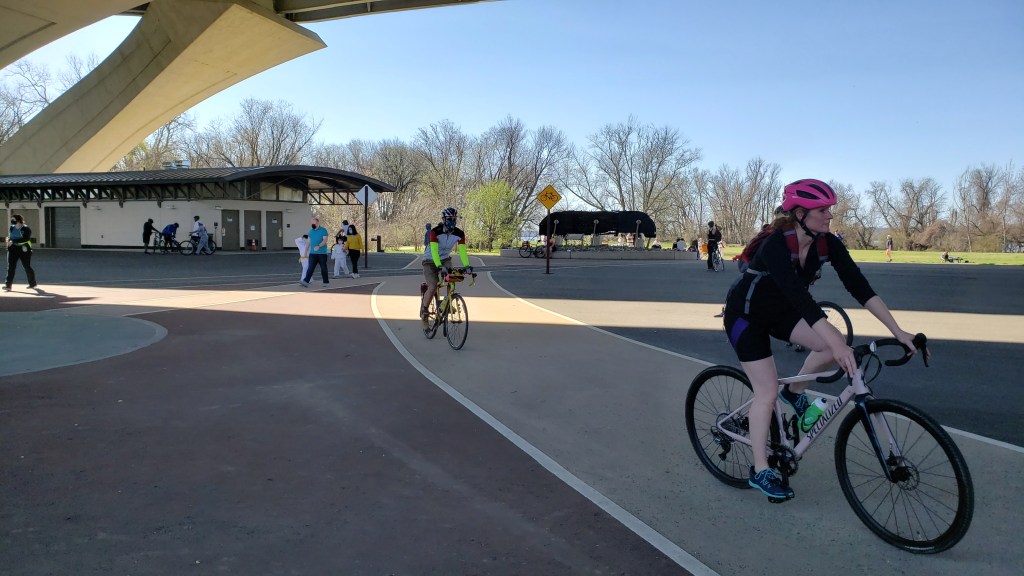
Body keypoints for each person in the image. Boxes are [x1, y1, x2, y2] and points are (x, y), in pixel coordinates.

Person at [722, 178, 923, 500]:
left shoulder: (828, 244)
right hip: (746, 316)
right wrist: (839, 345)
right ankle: (760, 470)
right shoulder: (776, 244)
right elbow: (800, 297)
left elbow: (860, 288)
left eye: (830, 209)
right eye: (823, 210)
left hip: (781, 312)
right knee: (766, 392)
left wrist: (898, 331)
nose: (830, 215)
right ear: (800, 214)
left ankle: (795, 391)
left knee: (832, 344)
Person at [420, 208, 471, 329]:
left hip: (445, 259)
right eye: (450, 219)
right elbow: (434, 251)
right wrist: (439, 266)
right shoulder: (435, 232)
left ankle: (447, 302)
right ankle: (424, 313)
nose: (452, 222)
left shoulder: (459, 234)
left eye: (454, 219)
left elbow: (462, 251)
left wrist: (467, 266)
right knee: (433, 286)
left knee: (452, 279)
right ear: (444, 220)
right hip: (429, 260)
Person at [4, 214, 37, 291]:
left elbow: (25, 239)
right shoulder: (12, 227)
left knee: (27, 266)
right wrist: (8, 241)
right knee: (11, 267)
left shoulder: (26, 229)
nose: (12, 221)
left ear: (18, 220)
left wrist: (13, 241)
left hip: (24, 249)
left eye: (13, 219)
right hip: (13, 249)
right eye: (12, 219)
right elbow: (10, 237)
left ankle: (32, 283)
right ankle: (8, 285)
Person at [299, 216, 330, 287]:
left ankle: (326, 282)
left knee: (323, 268)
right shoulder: (311, 231)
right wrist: (305, 252)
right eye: (311, 223)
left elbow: (325, 240)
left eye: (314, 223)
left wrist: (319, 246)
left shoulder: (323, 230)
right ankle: (306, 281)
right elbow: (308, 242)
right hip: (312, 253)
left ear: (318, 223)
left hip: (322, 253)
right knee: (310, 268)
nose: (312, 224)